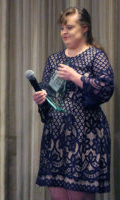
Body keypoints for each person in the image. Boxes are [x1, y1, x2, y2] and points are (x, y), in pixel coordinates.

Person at [33, 7, 114, 200]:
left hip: (86, 136)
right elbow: (50, 97)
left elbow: (105, 89)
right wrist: (42, 99)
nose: (64, 32)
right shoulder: (54, 60)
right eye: (62, 28)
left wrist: (76, 77)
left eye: (69, 27)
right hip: (57, 138)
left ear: (85, 28)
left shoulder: (96, 56)